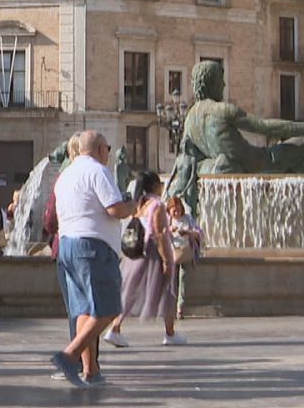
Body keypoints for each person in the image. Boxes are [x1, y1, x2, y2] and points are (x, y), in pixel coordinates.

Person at [49, 130, 141, 387]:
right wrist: (132, 207)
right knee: (109, 308)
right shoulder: (98, 171)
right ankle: (69, 355)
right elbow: (114, 208)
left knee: (83, 310)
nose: (109, 154)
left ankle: (91, 370)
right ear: (100, 149)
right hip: (93, 247)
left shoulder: (65, 175)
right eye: (108, 149)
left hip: (67, 245)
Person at [104, 174, 169, 348]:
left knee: (130, 291)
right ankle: (115, 328)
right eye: (160, 185)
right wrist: (166, 259)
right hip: (151, 252)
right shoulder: (157, 205)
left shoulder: (140, 204)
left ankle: (170, 331)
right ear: (155, 186)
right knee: (166, 290)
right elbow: (159, 232)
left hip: (134, 252)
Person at [168, 198, 205, 319]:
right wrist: (169, 231)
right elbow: (160, 233)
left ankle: (180, 308)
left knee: (182, 279)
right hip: (172, 254)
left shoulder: (188, 219)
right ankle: (171, 307)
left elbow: (199, 232)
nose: (176, 213)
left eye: (178, 210)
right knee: (172, 281)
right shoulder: (168, 220)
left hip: (185, 253)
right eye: (174, 210)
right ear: (169, 210)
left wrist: (188, 232)